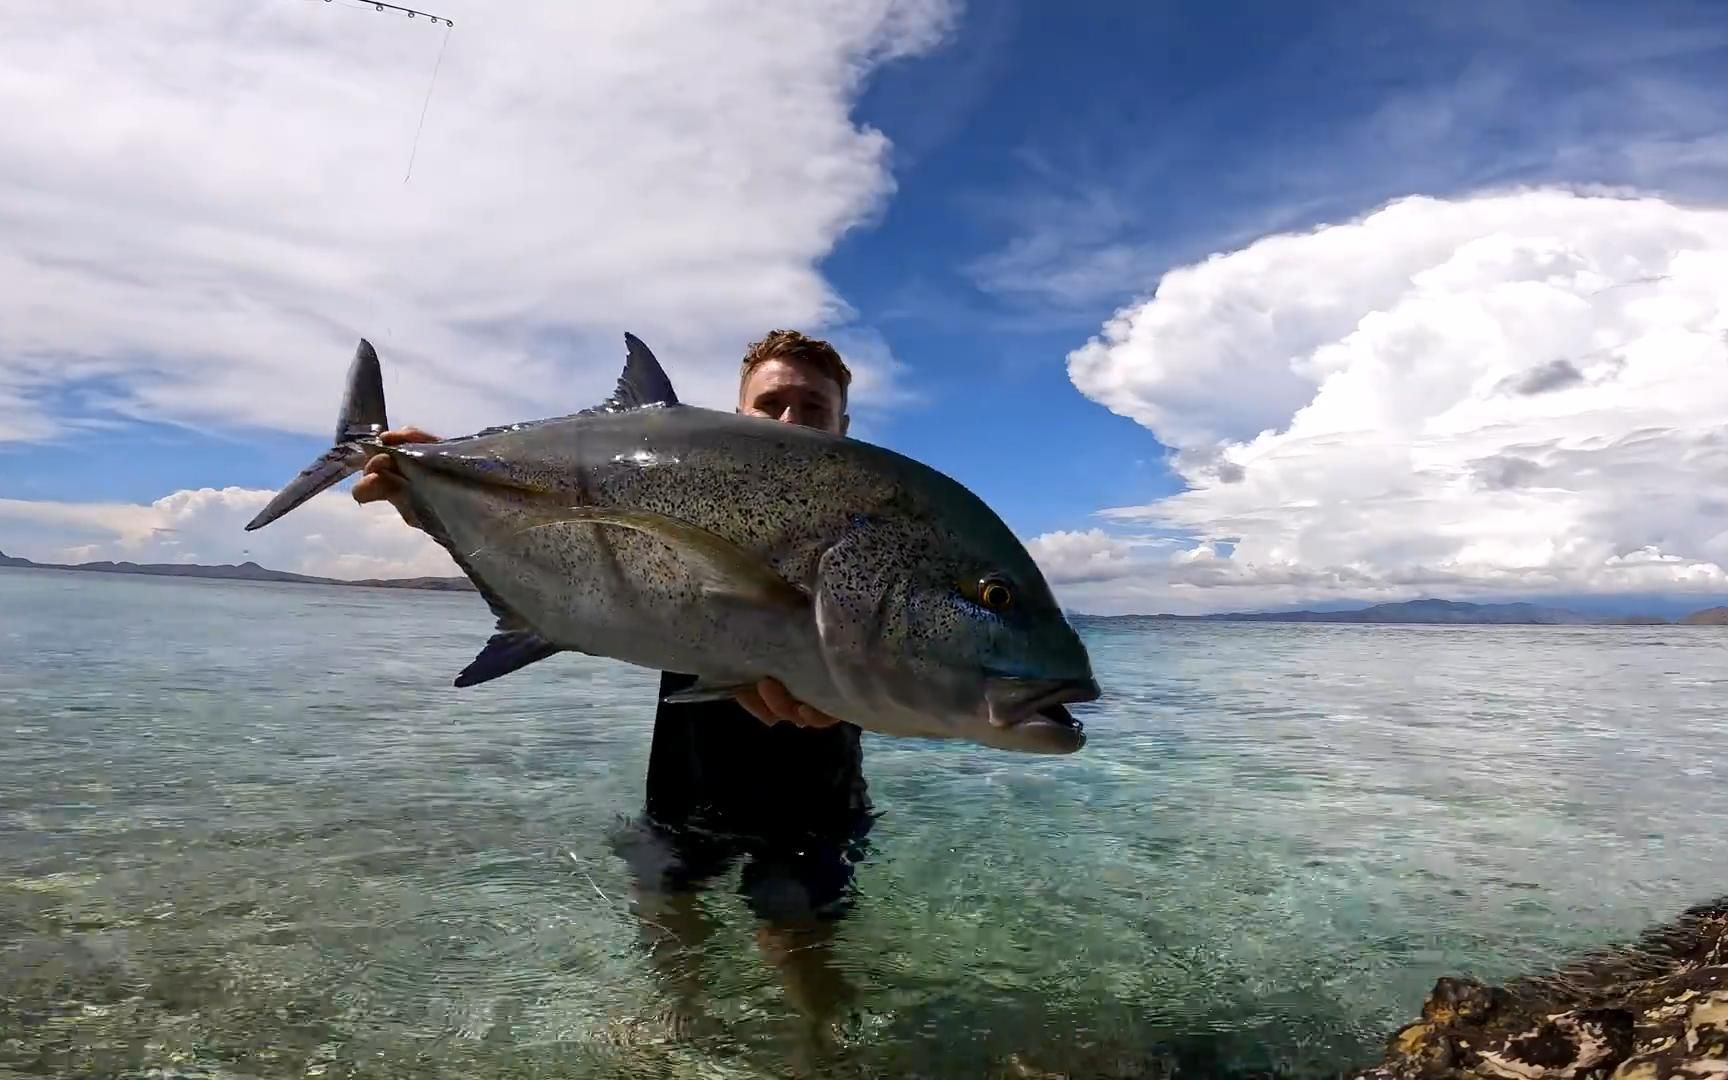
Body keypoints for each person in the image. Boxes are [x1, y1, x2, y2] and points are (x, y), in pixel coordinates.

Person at [351, 329, 874, 1051]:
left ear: (843, 427)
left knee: (799, 947)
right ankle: (679, 1041)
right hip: (685, 789)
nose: (790, 421)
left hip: (813, 800)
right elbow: (577, 566)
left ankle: (825, 1057)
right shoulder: (680, 492)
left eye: (812, 408)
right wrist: (436, 499)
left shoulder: (870, 529)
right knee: (668, 927)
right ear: (736, 416)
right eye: (771, 404)